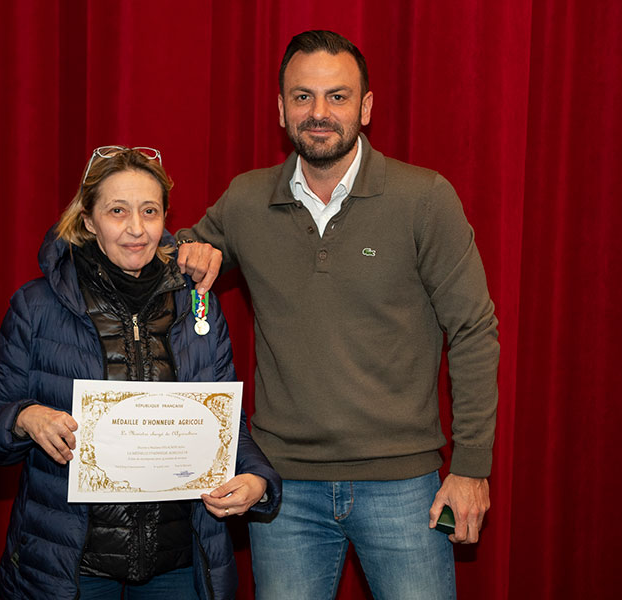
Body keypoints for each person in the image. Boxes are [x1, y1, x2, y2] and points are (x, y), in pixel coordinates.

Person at [176, 30, 499, 600]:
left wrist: (471, 467)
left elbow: (473, 330)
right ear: (280, 109)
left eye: (338, 97)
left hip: (404, 486)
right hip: (283, 489)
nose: (319, 113)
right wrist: (183, 251)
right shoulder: (247, 200)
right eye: (302, 97)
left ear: (366, 107)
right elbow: (156, 261)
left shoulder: (424, 198)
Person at [0, 145, 281, 600]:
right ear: (89, 220)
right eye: (117, 211)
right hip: (74, 569)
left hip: (178, 564)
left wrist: (256, 480)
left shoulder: (199, 304)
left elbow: (228, 426)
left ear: (165, 218)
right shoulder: (35, 307)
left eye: (149, 211)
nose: (136, 228)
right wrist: (24, 418)